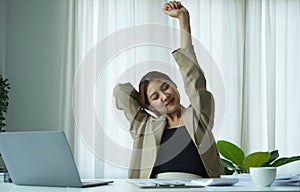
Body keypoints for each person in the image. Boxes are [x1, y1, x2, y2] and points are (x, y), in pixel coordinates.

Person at [113, 1, 224, 179]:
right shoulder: (145, 127)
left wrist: (183, 20)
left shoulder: (198, 116)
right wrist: (144, 101)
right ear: (149, 105)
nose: (164, 96)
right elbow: (121, 92)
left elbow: (193, 78)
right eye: (155, 96)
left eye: (166, 87)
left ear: (176, 86)